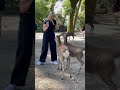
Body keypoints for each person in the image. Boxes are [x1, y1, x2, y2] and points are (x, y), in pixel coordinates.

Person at [6, 0, 35, 90]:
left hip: (35, 19)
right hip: (27, 19)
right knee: (24, 50)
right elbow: (22, 9)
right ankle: (14, 82)